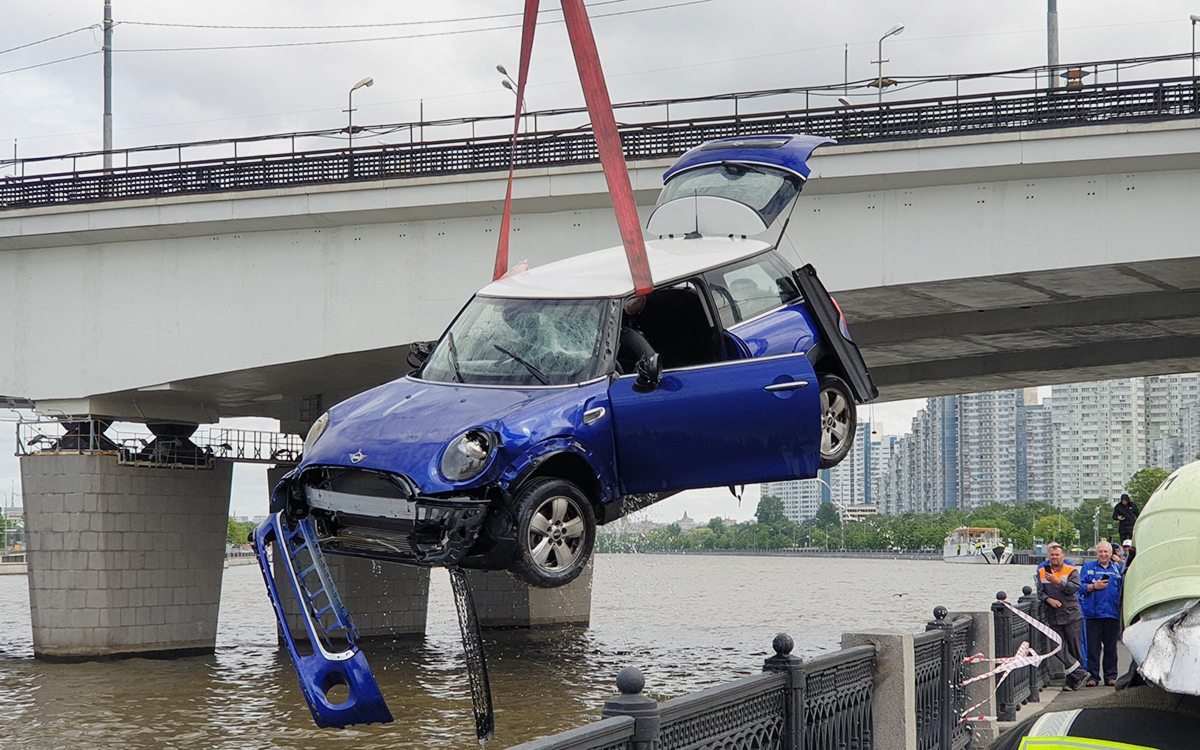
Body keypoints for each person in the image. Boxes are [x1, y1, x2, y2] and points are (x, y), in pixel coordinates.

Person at [990, 461, 1200, 749]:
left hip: (1087, 615)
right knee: (1085, 650)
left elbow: (1074, 587)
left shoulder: (1042, 735)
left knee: (1088, 650)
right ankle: (1089, 675)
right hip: (1082, 614)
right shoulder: (1069, 569)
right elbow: (1053, 590)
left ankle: (1090, 675)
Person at [1035, 542, 1090, 691]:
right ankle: (1080, 673)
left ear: (1063, 556)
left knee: (1074, 647)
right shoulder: (1042, 571)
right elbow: (1040, 592)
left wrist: (1058, 582)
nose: (1054, 557)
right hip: (1053, 615)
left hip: (1071, 614)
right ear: (1048, 556)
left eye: (1057, 555)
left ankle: (1073, 681)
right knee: (1056, 646)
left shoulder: (1071, 570)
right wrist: (1048, 599)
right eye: (1052, 555)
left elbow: (1075, 587)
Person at [1079, 540, 1123, 686]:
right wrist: (1093, 586)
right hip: (1093, 614)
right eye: (1100, 552)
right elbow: (1079, 586)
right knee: (1093, 648)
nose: (1103, 554)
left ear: (1111, 554)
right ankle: (1093, 677)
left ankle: (1110, 676)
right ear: (1096, 553)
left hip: (1112, 614)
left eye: (1106, 552)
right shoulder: (1088, 567)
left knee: (1111, 647)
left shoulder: (1117, 570)